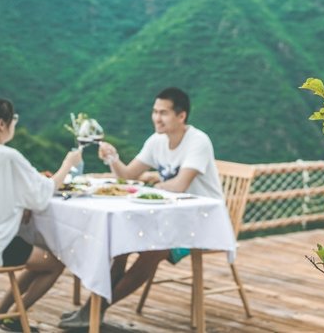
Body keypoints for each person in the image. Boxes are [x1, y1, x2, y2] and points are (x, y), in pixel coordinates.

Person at [57, 87, 222, 330]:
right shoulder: (157, 141)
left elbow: (179, 185)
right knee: (121, 246)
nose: (157, 118)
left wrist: (148, 187)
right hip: (167, 217)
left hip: (200, 223)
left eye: (163, 113)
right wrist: (113, 159)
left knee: (153, 251)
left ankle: (92, 312)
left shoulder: (198, 141)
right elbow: (127, 175)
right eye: (155, 112)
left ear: (181, 116)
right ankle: (91, 313)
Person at [0, 97, 83, 333]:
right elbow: (43, 193)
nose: (14, 124)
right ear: (1, 124)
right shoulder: (7, 156)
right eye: (13, 119)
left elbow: (2, 193)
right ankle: (11, 317)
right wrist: (68, 163)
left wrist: (24, 204)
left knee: (36, 257)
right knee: (56, 262)